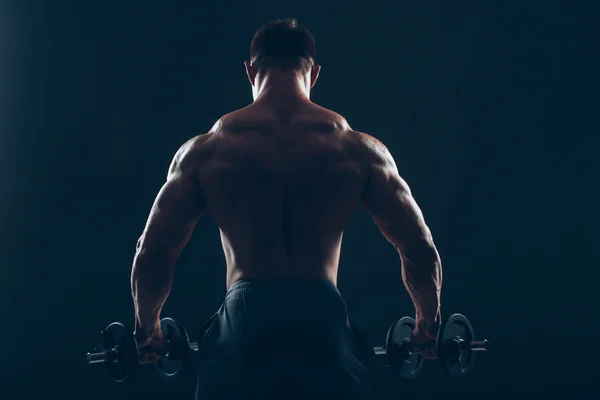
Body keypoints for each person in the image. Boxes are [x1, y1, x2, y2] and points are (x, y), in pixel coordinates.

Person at [130, 18, 443, 399]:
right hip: (322, 315)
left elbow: (154, 252)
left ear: (250, 70)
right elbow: (419, 249)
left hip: (245, 316)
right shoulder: (358, 150)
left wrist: (149, 330)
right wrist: (428, 323)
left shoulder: (206, 151)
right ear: (314, 73)